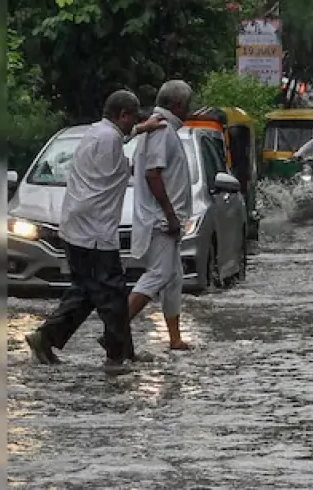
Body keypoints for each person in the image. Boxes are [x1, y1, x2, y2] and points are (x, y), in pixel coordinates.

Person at [24, 90, 166, 369]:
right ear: (122, 115)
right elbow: (125, 156)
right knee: (113, 294)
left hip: (76, 228)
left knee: (86, 291)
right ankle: (119, 356)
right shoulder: (110, 140)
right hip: (95, 233)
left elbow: (121, 136)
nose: (134, 123)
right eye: (133, 118)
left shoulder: (95, 132)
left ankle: (46, 337)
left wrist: (141, 129)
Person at [127, 80, 196, 352]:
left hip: (164, 218)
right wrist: (170, 215)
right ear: (177, 105)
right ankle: (114, 328)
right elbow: (152, 174)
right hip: (162, 220)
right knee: (159, 274)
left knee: (173, 278)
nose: (189, 110)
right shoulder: (162, 130)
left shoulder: (159, 128)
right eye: (187, 105)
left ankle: (175, 338)